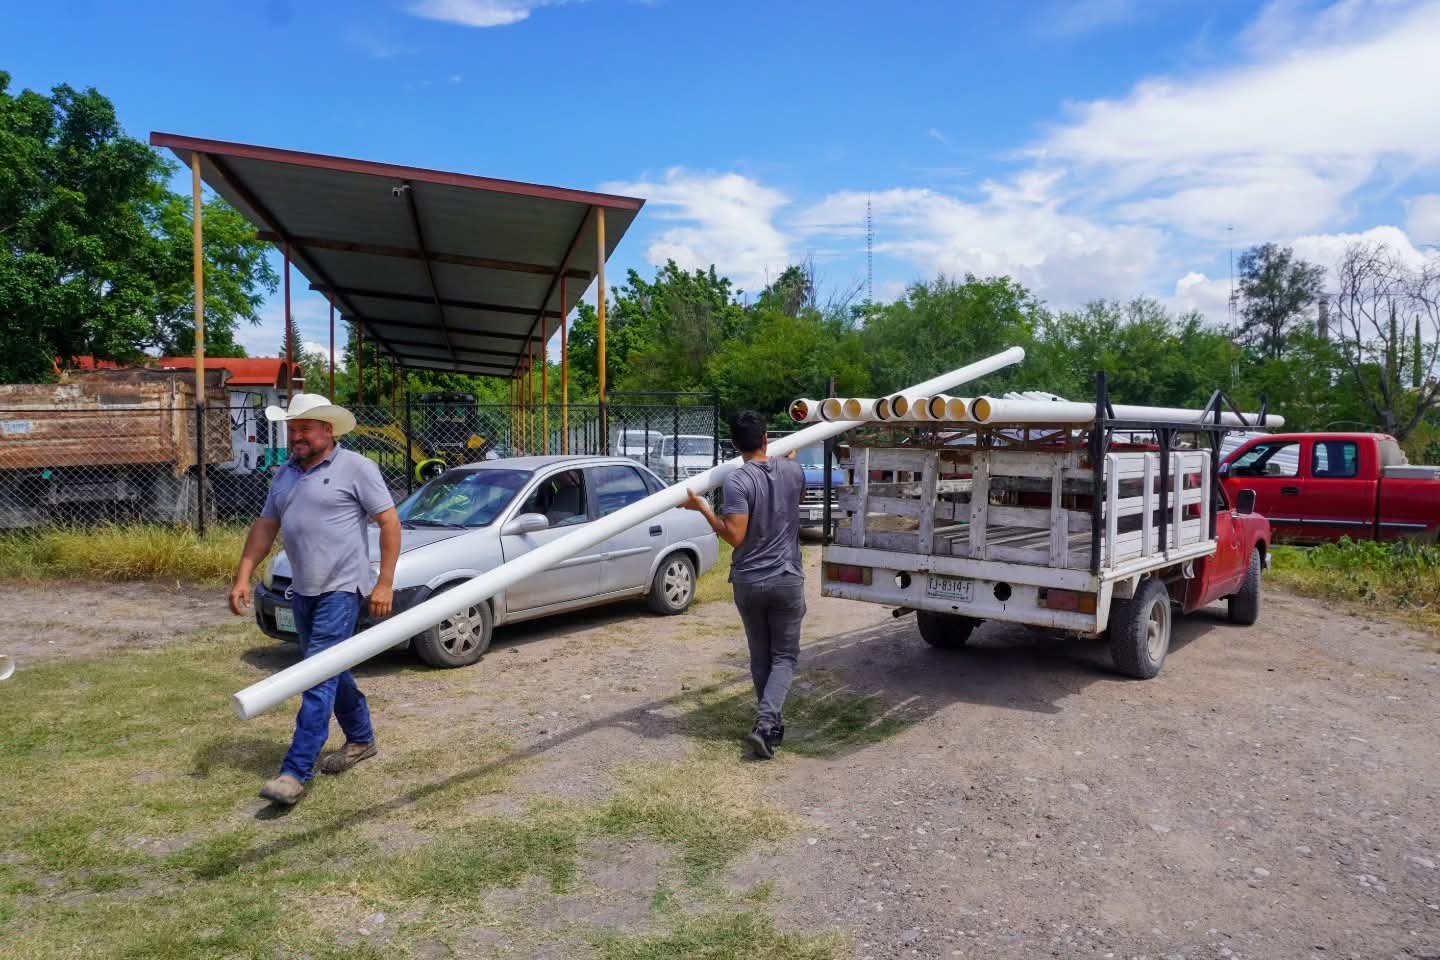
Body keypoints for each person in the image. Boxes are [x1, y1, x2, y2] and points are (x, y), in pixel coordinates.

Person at [228, 393, 401, 805]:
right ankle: (361, 738)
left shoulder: (357, 468)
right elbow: (266, 525)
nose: (297, 436)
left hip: (342, 588)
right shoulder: (284, 473)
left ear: (329, 429)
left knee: (316, 674)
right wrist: (243, 576)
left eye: (305, 428)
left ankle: (294, 772)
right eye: (292, 429)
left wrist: (385, 583)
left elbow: (389, 522)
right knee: (331, 669)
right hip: (302, 588)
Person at [686, 410, 806, 759]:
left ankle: (769, 728)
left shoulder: (737, 481)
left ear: (735, 445)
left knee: (761, 656)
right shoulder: (794, 471)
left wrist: (703, 508)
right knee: (784, 656)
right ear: (767, 438)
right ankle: (767, 724)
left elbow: (735, 537)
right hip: (785, 578)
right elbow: (788, 486)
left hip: (750, 582)